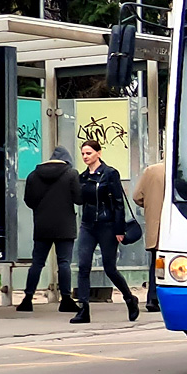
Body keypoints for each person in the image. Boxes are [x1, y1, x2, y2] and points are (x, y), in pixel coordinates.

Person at [71, 139, 139, 324]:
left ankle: (129, 299)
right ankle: (83, 309)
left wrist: (119, 229)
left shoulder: (110, 174)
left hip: (107, 225)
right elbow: (79, 201)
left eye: (89, 153)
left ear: (98, 153)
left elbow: (118, 203)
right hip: (88, 225)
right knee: (83, 266)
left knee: (110, 268)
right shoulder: (83, 177)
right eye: (83, 154)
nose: (85, 157)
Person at [17, 147, 82, 313]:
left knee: (37, 262)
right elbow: (78, 198)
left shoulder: (33, 175)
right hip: (65, 225)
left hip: (42, 224)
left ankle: (27, 298)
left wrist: (41, 210)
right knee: (64, 263)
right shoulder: (71, 174)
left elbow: (29, 200)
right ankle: (66, 299)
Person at [132, 158, 165, 312]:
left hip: (156, 225)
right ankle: (163, 296)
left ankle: (152, 297)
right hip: (177, 225)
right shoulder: (186, 172)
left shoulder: (152, 171)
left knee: (157, 262)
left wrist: (150, 205)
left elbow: (137, 196)